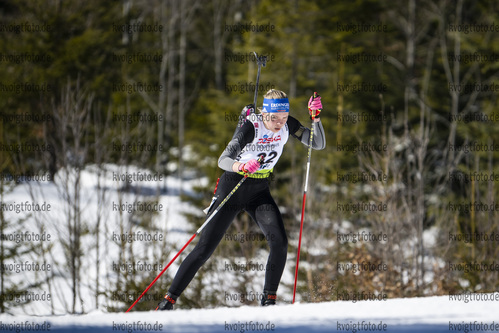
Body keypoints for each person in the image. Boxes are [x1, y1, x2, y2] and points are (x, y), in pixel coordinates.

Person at [157, 89, 326, 310]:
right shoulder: (251, 127)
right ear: (264, 113)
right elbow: (223, 160)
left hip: (259, 191)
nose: (279, 123)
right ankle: (168, 300)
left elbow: (318, 143)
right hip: (233, 187)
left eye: (284, 117)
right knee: (205, 248)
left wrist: (316, 118)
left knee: (279, 242)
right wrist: (241, 166)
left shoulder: (287, 125)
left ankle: (269, 301)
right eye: (274, 118)